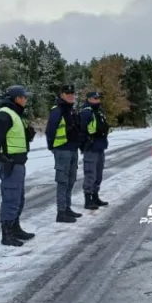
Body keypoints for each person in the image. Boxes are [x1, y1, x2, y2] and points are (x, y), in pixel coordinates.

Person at [0, 85, 37, 246]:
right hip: (10, 163)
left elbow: (12, 138)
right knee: (11, 199)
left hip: (18, 163)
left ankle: (15, 228)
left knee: (18, 199)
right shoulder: (4, 115)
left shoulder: (16, 115)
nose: (26, 99)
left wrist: (27, 136)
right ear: (17, 98)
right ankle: (7, 234)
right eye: (24, 97)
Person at [45, 83, 85, 223]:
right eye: (67, 93)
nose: (70, 95)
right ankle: (61, 212)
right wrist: (53, 147)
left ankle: (67, 208)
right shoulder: (57, 110)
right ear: (61, 95)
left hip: (73, 150)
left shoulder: (72, 110)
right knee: (62, 182)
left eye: (72, 93)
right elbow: (50, 131)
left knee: (71, 181)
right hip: (62, 150)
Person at [79, 90, 110, 209]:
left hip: (100, 146)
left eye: (98, 98)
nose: (97, 100)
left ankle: (95, 196)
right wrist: (85, 144)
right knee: (90, 173)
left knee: (98, 174)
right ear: (89, 99)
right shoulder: (86, 112)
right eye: (95, 98)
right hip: (91, 147)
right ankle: (88, 200)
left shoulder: (99, 112)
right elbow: (82, 130)